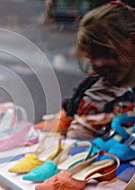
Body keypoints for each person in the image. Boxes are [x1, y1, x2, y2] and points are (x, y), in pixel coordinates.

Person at [35, 1, 135, 139]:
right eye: (91, 57)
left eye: (106, 53)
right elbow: (69, 111)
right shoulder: (91, 84)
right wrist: (35, 131)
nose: (98, 63)